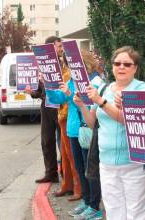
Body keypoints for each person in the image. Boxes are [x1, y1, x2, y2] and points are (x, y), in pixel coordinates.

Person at [74, 46, 145, 220]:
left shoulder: (142, 89)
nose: (121, 67)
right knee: (113, 213)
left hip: (135, 163)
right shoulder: (104, 89)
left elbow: (129, 121)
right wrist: (82, 105)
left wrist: (102, 102)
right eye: (117, 63)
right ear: (112, 66)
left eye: (127, 64)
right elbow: (92, 123)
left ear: (135, 68)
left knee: (137, 214)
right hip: (107, 163)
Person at [46, 50, 104, 219]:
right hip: (73, 129)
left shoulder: (95, 80)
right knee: (80, 168)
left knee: (90, 169)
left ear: (82, 62)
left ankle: (94, 206)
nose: (68, 67)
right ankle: (86, 201)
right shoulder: (72, 79)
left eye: (70, 64)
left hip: (88, 129)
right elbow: (58, 99)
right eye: (67, 64)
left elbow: (92, 103)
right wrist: (49, 87)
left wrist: (70, 95)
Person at [25, 36, 61, 183]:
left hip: (62, 108)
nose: (61, 49)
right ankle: (51, 173)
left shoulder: (65, 65)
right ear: (51, 47)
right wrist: (32, 92)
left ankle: (67, 174)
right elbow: (41, 91)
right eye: (59, 46)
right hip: (47, 108)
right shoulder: (41, 66)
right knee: (47, 141)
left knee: (63, 143)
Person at [52, 52, 82, 200]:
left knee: (72, 155)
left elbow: (72, 98)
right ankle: (68, 184)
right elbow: (57, 97)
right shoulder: (65, 74)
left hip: (70, 118)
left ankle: (78, 187)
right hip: (64, 117)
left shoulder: (73, 76)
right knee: (65, 155)